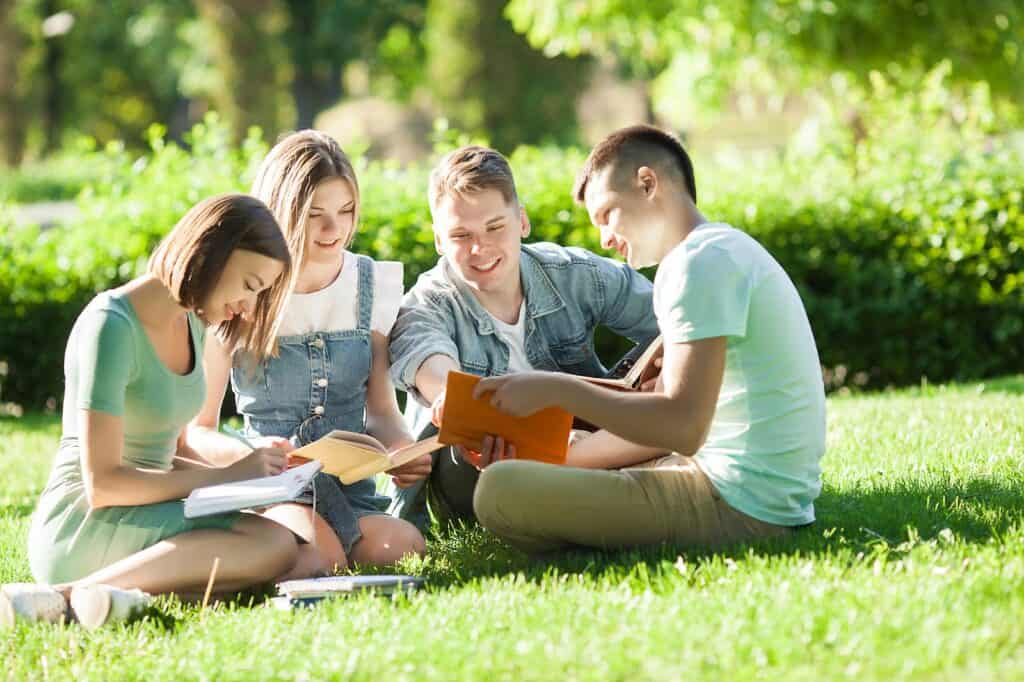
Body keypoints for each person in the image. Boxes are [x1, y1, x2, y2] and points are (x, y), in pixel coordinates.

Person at [471, 125, 827, 553]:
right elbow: (665, 421)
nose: (604, 238)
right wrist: (566, 449)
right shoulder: (721, 249)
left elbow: (681, 426)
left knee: (498, 489)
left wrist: (556, 390)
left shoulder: (696, 265)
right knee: (573, 456)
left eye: (606, 215)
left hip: (737, 505)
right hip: (759, 495)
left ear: (646, 183)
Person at [3, 194, 299, 629]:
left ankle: (116, 597)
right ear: (214, 253)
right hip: (84, 521)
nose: (249, 307)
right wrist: (224, 477)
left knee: (274, 545)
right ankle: (63, 596)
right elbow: (102, 483)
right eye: (250, 285)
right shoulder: (111, 325)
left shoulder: (193, 323)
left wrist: (253, 481)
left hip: (146, 509)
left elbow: (170, 452)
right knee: (272, 548)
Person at [187, 131, 427, 578]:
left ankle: (301, 552)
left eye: (345, 211)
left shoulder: (370, 285)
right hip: (275, 486)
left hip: (347, 485)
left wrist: (400, 451)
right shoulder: (242, 290)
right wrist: (251, 455)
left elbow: (381, 410)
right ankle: (230, 554)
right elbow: (198, 429)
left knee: (404, 546)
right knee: (322, 558)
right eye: (315, 214)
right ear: (280, 212)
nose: (334, 230)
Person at [387, 145, 660, 531]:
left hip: (583, 441)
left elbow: (674, 321)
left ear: (522, 222)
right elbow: (431, 366)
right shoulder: (425, 304)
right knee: (464, 444)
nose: (479, 249)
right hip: (477, 468)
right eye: (461, 235)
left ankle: (603, 484)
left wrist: (660, 377)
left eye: (495, 227)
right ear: (438, 241)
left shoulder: (572, 274)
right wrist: (455, 400)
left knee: (666, 364)